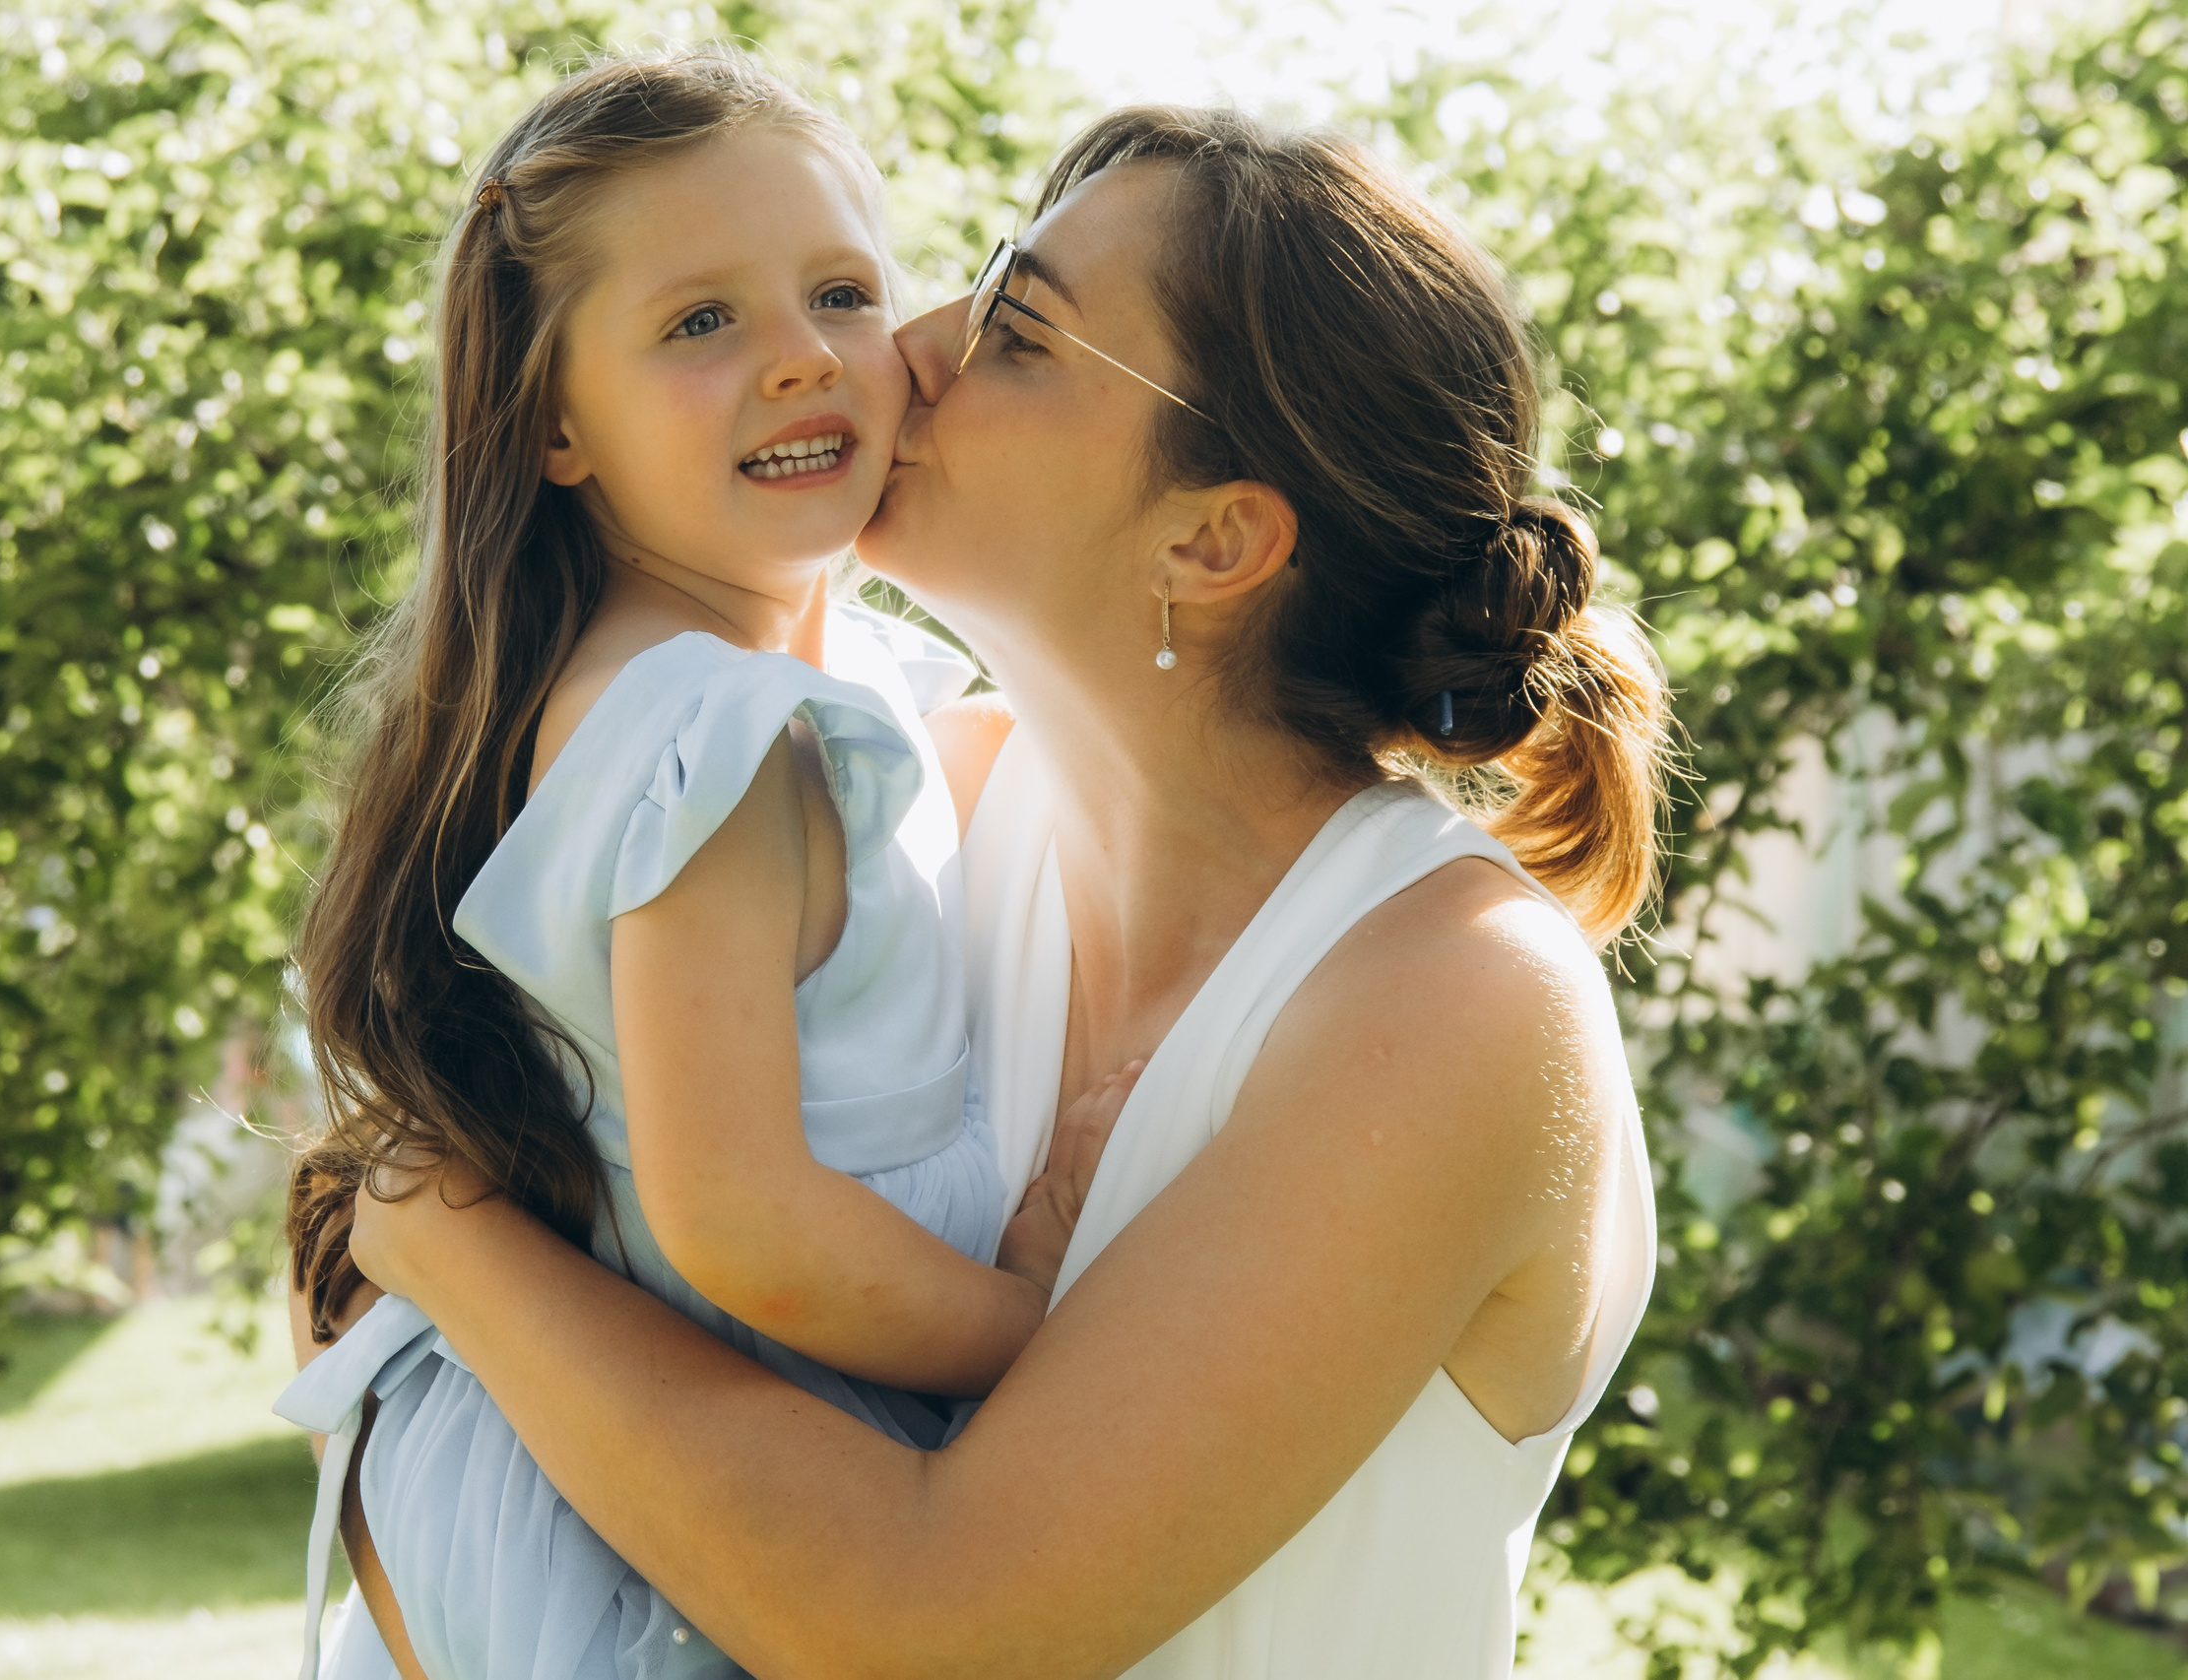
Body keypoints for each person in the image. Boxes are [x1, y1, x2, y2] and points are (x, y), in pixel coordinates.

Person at [344, 103, 1669, 1679]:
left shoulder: (1454, 993)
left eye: (1020, 329)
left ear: (1215, 538)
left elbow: (923, 1618)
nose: (901, 348)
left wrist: (448, 1248)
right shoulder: (911, 818)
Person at [271, 51, 1135, 1680]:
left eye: (841, 292)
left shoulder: (776, 690)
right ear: (555, 428)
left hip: (683, 1458)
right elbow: (737, 1216)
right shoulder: (708, 740)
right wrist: (1037, 1331)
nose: (803, 360)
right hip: (675, 1538)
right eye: (699, 323)